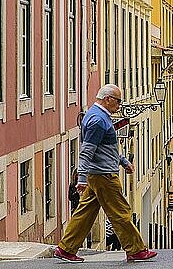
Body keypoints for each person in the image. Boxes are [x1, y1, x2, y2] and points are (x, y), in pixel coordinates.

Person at [54, 84, 157, 263]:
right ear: (108, 99)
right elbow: (87, 151)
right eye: (118, 101)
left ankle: (66, 248)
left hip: (98, 174)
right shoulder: (98, 121)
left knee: (84, 213)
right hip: (104, 176)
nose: (119, 106)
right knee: (121, 212)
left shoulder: (96, 116)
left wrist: (123, 162)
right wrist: (82, 178)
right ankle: (136, 250)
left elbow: (106, 148)